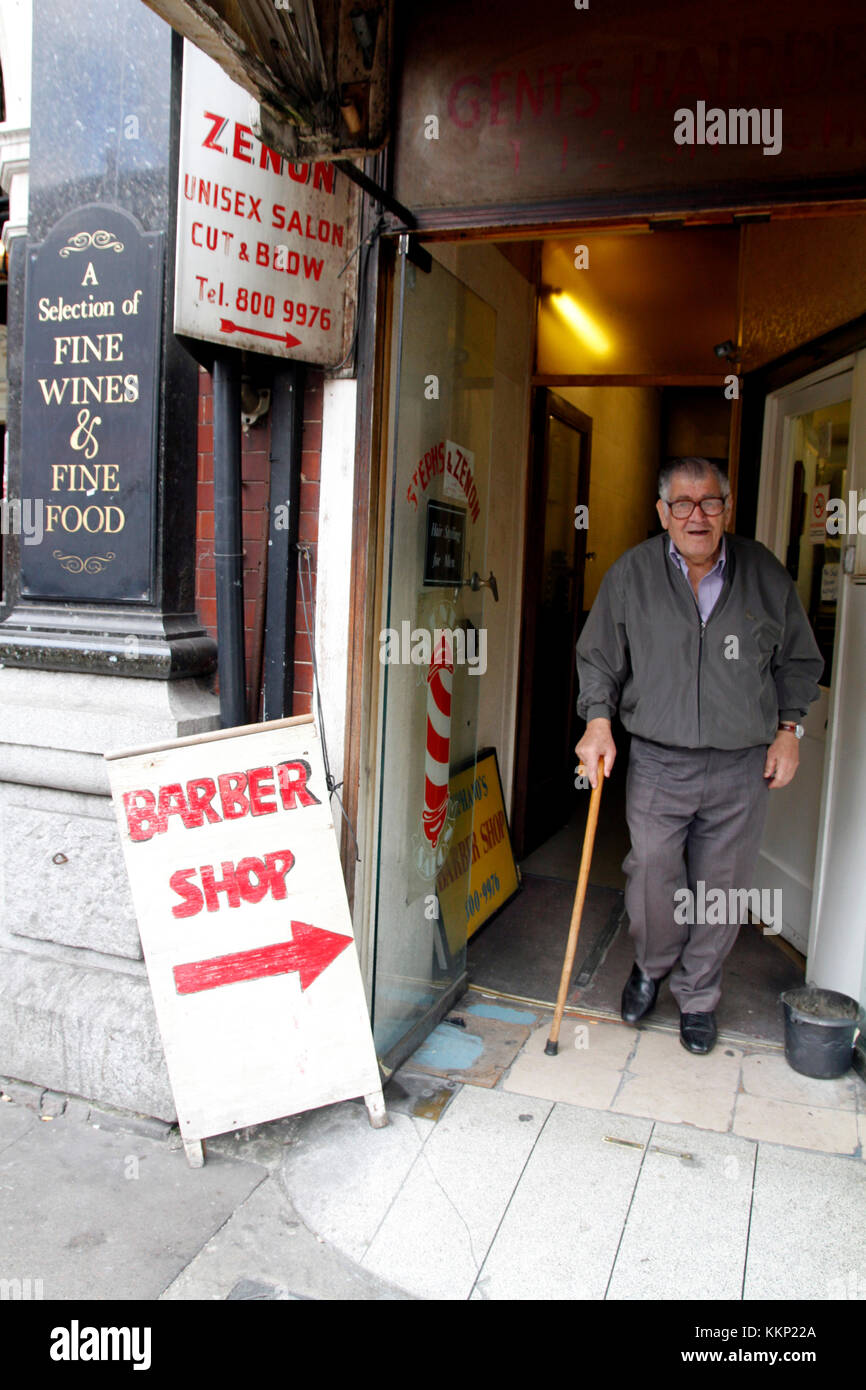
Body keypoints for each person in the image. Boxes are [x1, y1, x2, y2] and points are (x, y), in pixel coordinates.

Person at [574, 457, 823, 1054]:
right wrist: (598, 721)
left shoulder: (765, 574)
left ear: (726, 508)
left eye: (709, 502)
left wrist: (790, 729)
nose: (696, 515)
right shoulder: (632, 574)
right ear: (662, 513)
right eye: (681, 504)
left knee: (724, 887)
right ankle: (653, 966)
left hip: (741, 764)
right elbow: (600, 656)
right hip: (660, 761)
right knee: (653, 875)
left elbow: (799, 660)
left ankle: (699, 994)